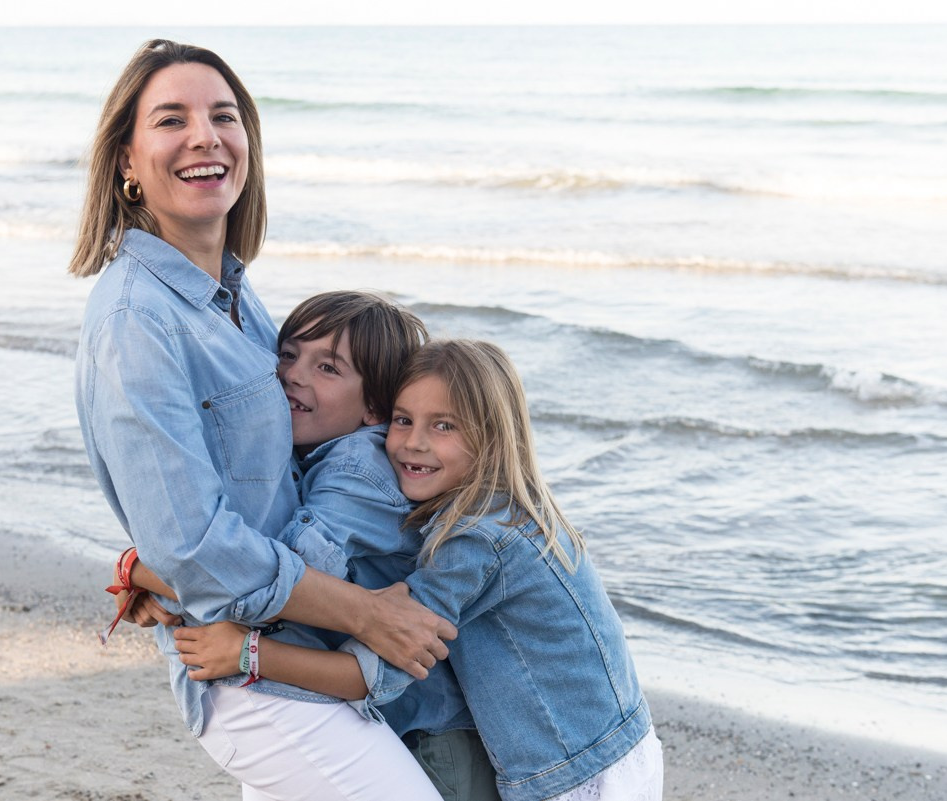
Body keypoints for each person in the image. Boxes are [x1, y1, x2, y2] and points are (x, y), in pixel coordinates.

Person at [69, 39, 454, 800]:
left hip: (295, 651)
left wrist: (142, 567)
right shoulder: (137, 319)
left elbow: (263, 489)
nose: (206, 136)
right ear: (126, 160)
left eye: (224, 115)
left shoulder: (234, 302)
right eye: (171, 119)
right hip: (251, 676)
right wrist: (366, 613)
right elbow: (194, 545)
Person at [175, 340, 664, 801]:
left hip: (570, 773)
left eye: (444, 426)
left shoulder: (475, 542)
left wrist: (247, 653)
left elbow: (370, 673)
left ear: (493, 438)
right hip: (622, 742)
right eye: (404, 420)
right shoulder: (518, 509)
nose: (413, 443)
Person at [116, 291, 501, 800]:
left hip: (428, 732)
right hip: (380, 712)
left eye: (328, 367)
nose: (294, 374)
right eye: (289, 354)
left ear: (374, 409)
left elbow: (276, 578)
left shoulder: (360, 468)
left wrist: (143, 572)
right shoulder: (311, 455)